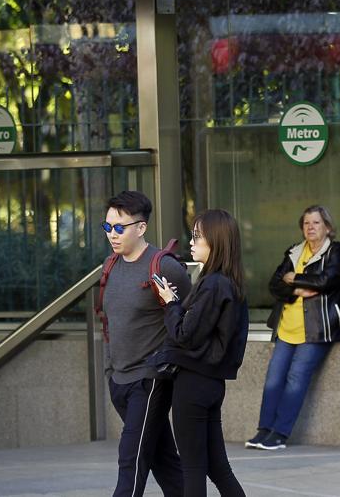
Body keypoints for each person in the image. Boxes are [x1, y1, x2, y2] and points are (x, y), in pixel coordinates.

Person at [152, 209, 249, 497]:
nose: (191, 242)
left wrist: (170, 303)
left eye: (197, 236)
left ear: (216, 242)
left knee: (193, 469)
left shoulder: (214, 284)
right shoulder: (228, 282)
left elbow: (184, 334)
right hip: (210, 383)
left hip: (194, 382)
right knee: (218, 469)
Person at [101, 190, 189, 497]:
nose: (112, 234)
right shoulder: (110, 265)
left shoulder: (164, 267)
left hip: (150, 380)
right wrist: (110, 369)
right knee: (162, 458)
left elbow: (187, 321)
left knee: (131, 458)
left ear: (141, 228)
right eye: (107, 227)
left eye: (119, 227)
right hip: (119, 378)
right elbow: (112, 320)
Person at [248, 205, 340, 450]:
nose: (311, 228)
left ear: (327, 227)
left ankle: (280, 434)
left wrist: (293, 277)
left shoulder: (336, 252)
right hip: (287, 327)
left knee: (296, 378)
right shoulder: (294, 252)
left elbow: (327, 281)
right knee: (273, 379)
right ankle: (264, 430)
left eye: (316, 223)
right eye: (306, 223)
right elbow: (274, 284)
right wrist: (298, 287)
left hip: (317, 328)